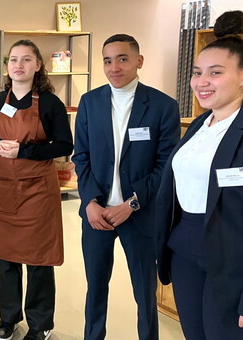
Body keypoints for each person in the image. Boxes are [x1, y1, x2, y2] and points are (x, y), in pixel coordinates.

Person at [72, 34, 180, 340]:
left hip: (140, 214)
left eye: (122, 59)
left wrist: (131, 204)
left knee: (145, 292)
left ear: (138, 61)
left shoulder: (162, 106)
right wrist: (90, 202)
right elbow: (81, 156)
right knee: (95, 286)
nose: (114, 67)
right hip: (97, 215)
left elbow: (166, 166)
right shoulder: (90, 102)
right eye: (107, 60)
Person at [156, 10, 243, 340]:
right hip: (185, 248)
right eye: (198, 72)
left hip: (232, 259)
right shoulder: (198, 124)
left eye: (215, 72)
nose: (201, 82)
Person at [0, 39, 73, 340]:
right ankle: (8, 318)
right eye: (13, 59)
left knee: (39, 259)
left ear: (38, 66)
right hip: (3, 190)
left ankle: (40, 323)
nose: (19, 65)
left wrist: (25, 151)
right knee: (6, 258)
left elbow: (65, 144)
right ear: (7, 66)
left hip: (37, 193)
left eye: (27, 59)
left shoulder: (50, 103)